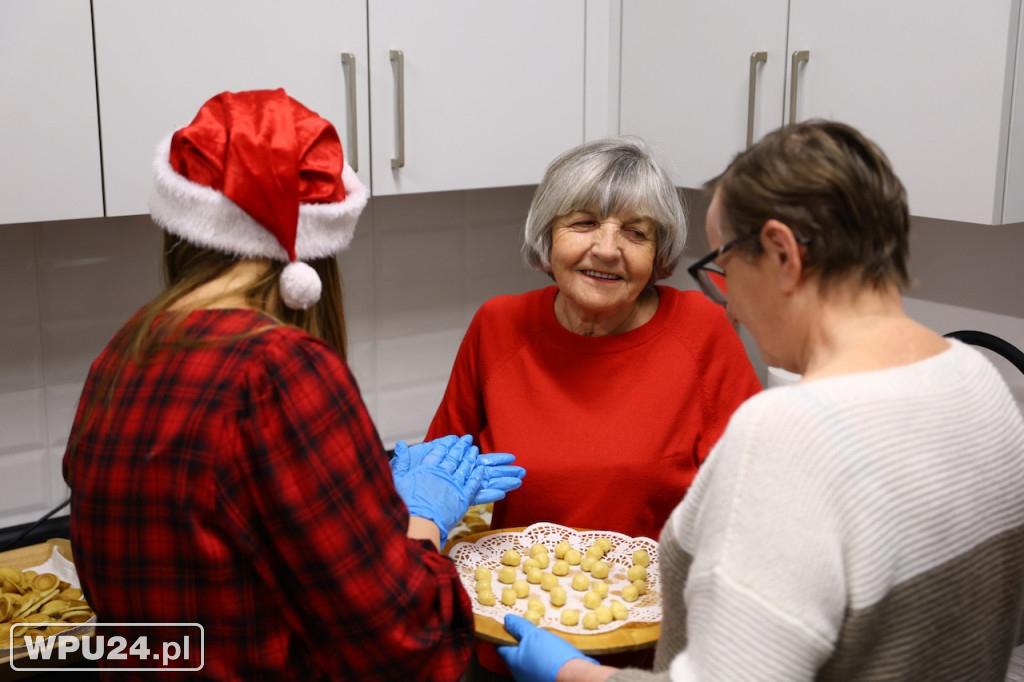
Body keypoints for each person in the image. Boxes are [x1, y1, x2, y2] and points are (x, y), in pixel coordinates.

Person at [496, 119, 1024, 682]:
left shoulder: (786, 434)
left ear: (780, 253)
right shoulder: (979, 379)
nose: (729, 305)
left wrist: (573, 674)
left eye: (724, 266)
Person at [62, 88, 523, 680]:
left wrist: (364, 506)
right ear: (312, 259)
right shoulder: (279, 369)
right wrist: (420, 519)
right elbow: (401, 638)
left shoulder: (124, 353)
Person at [427, 136, 762, 541]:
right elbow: (438, 473)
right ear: (548, 236)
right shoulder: (497, 325)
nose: (607, 250)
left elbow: (750, 497)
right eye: (584, 222)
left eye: (636, 233)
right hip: (522, 590)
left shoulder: (701, 328)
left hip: (651, 595)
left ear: (659, 256)